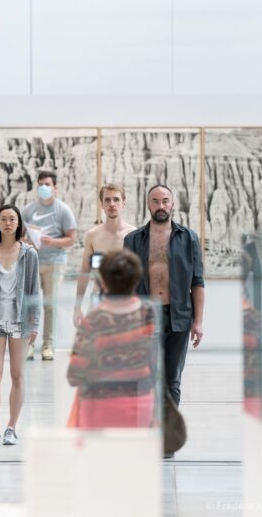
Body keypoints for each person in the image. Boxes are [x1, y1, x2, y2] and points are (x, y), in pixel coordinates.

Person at [123, 184, 204, 408]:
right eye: (156, 201)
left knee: (172, 379)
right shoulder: (133, 240)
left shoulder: (189, 238)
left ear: (172, 204)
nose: (161, 206)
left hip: (178, 316)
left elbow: (197, 282)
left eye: (165, 201)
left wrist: (198, 322)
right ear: (148, 204)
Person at [67, 249, 158, 428]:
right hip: (141, 405)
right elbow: (152, 362)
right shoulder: (147, 314)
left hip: (99, 407)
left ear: (103, 282)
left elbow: (75, 375)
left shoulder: (94, 320)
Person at [0, 205, 41, 446]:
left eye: (12, 218)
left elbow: (35, 291)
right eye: (3, 218)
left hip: (20, 321)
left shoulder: (29, 254)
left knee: (18, 375)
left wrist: (35, 323)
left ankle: (11, 427)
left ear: (19, 223)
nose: (8, 223)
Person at [21, 170, 76, 361]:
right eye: (41, 184)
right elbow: (20, 236)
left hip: (54, 263)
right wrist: (27, 241)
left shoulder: (63, 210)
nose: (43, 187)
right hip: (33, 262)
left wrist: (51, 242)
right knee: (30, 304)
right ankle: (28, 344)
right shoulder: (29, 210)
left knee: (50, 306)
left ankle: (48, 345)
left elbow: (71, 239)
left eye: (47, 184)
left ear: (55, 188)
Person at [73, 183, 136, 326]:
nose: (112, 204)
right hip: (98, 299)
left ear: (123, 203)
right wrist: (77, 308)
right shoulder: (93, 235)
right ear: (102, 204)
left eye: (116, 199)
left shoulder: (134, 235)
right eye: (107, 200)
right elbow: (84, 273)